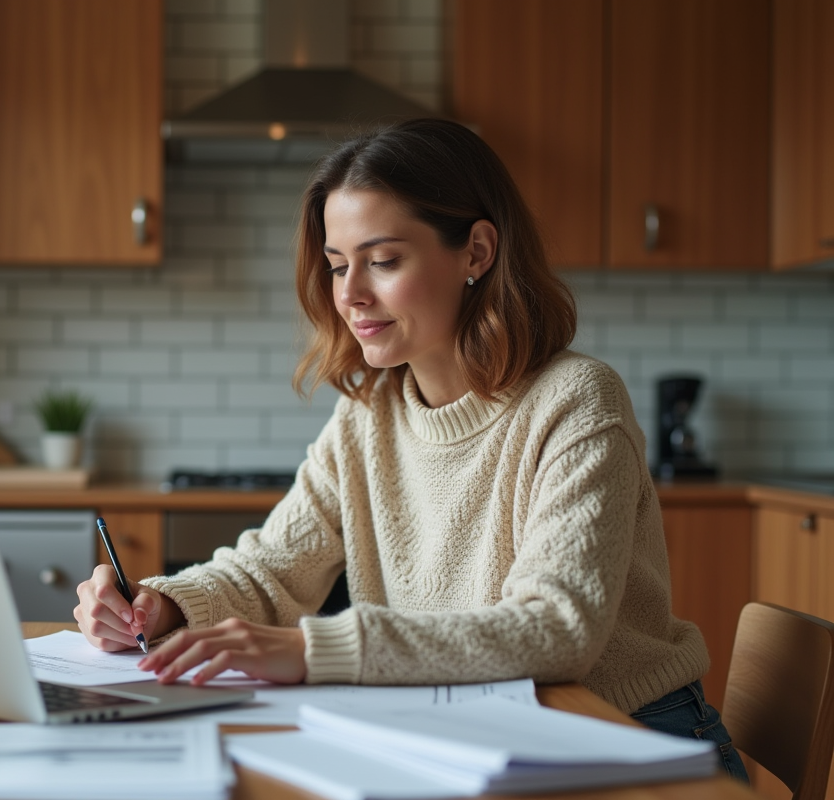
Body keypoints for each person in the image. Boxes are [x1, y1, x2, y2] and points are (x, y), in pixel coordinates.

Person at [74, 118, 747, 780]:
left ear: (477, 253)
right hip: (474, 734)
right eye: (338, 266)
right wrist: (160, 607)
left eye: (384, 261)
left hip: (627, 738)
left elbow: (556, 632)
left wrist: (315, 650)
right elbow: (273, 574)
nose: (350, 295)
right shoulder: (368, 414)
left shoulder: (576, 399)